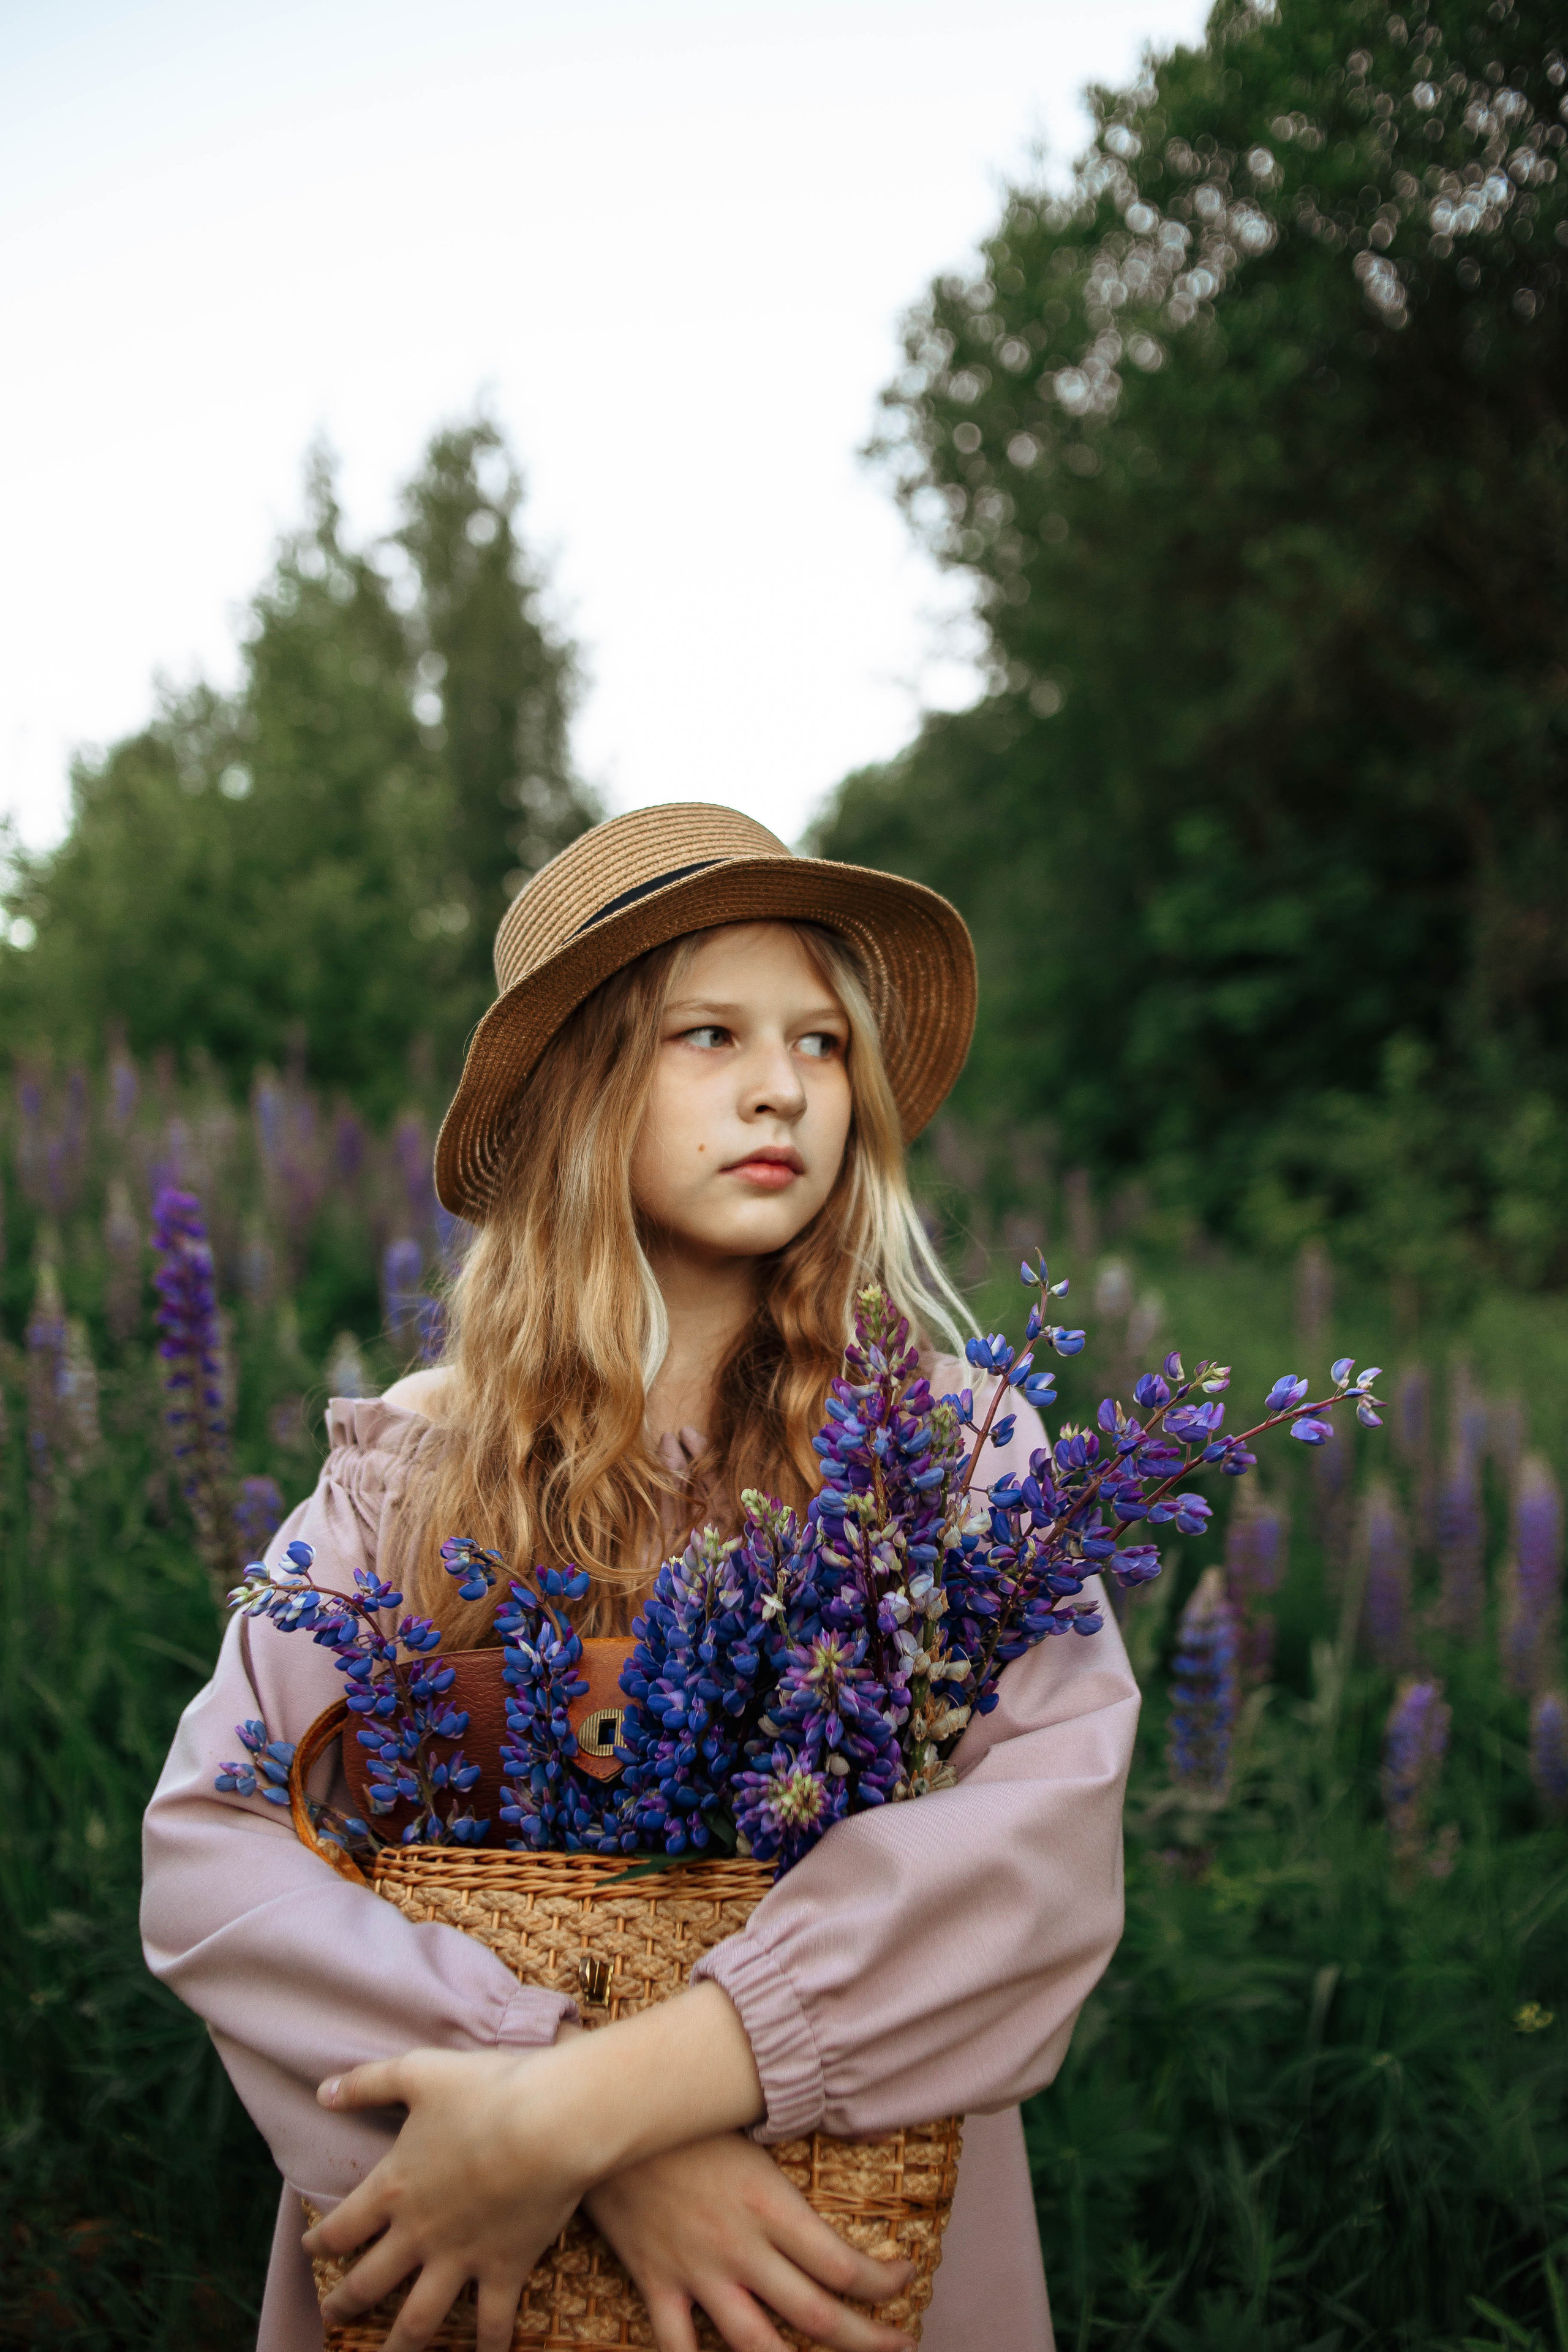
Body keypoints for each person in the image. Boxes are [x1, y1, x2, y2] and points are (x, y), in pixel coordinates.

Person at [141, 803, 1139, 2352]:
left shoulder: (953, 1447)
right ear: (579, 1091)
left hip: (842, 2228)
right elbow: (218, 1847)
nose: (780, 1089)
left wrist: (594, 2107)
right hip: (495, 2255)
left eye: (820, 1044)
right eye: (708, 1034)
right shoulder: (418, 1463)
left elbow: (1040, 1841)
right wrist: (581, 2128)